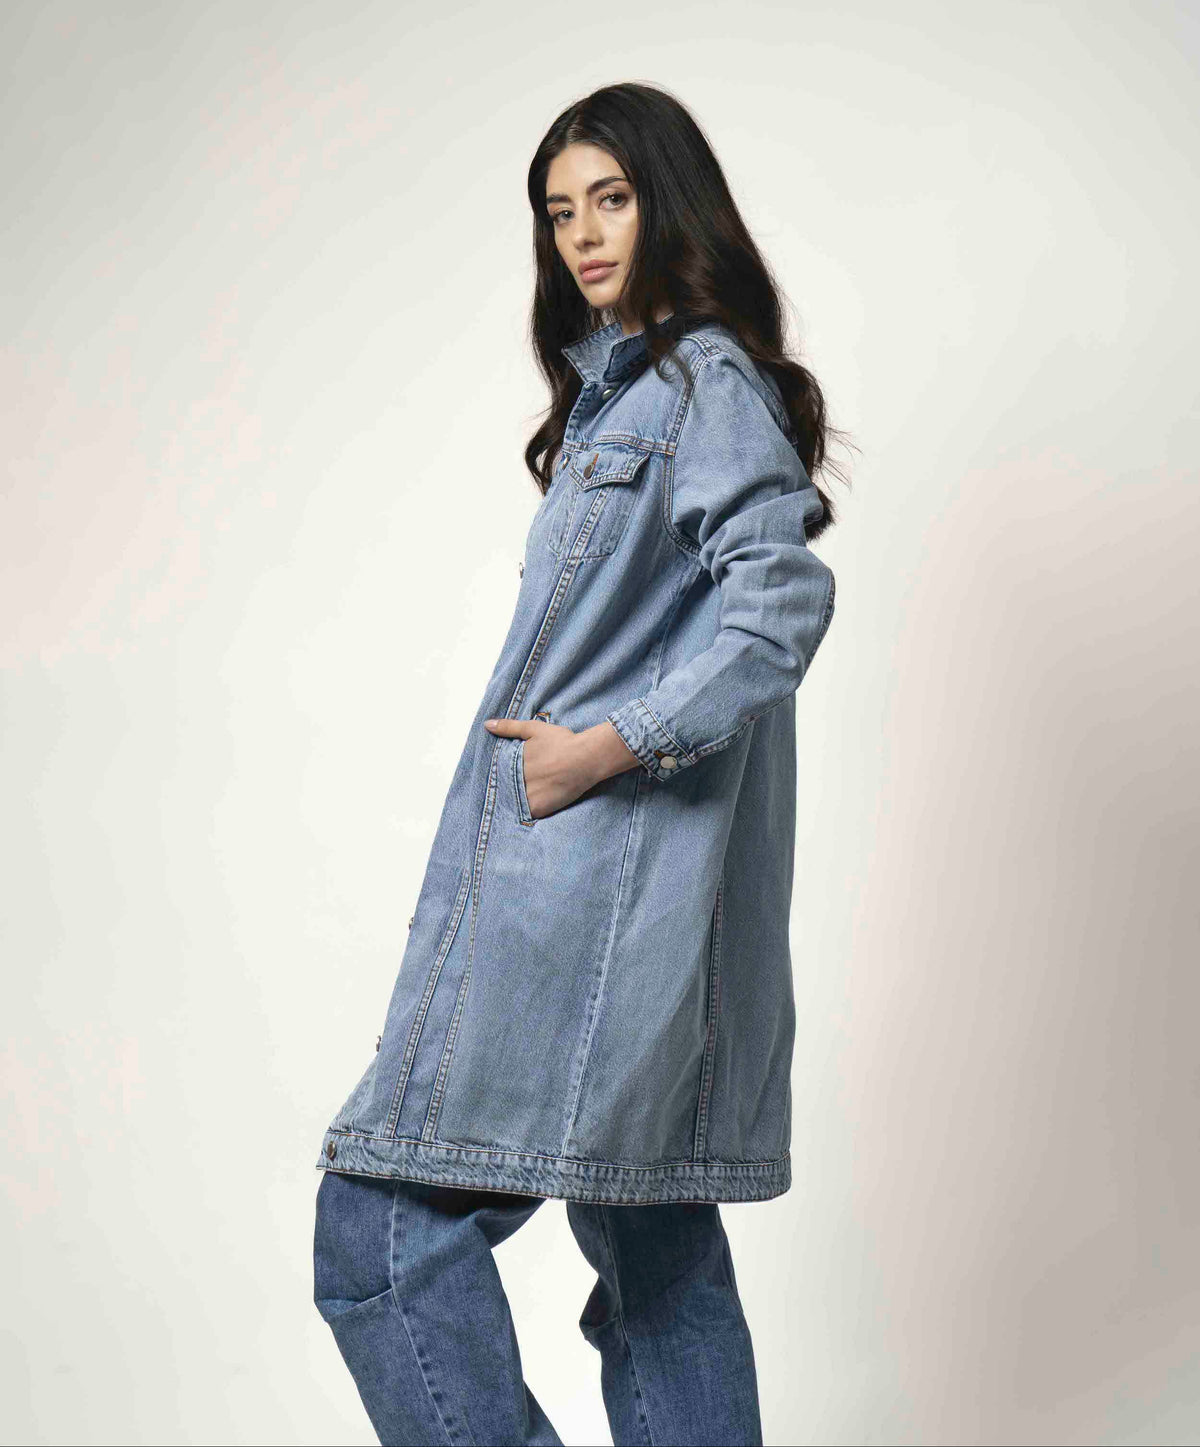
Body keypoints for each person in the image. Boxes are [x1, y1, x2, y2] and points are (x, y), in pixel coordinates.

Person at [312, 80, 848, 1447]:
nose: (585, 235)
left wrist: (605, 748)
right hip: (617, 906)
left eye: (612, 199)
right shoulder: (625, 396)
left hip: (594, 901)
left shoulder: (697, 383)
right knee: (657, 1261)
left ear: (671, 204)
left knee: (379, 1237)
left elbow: (778, 604)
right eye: (561, 213)